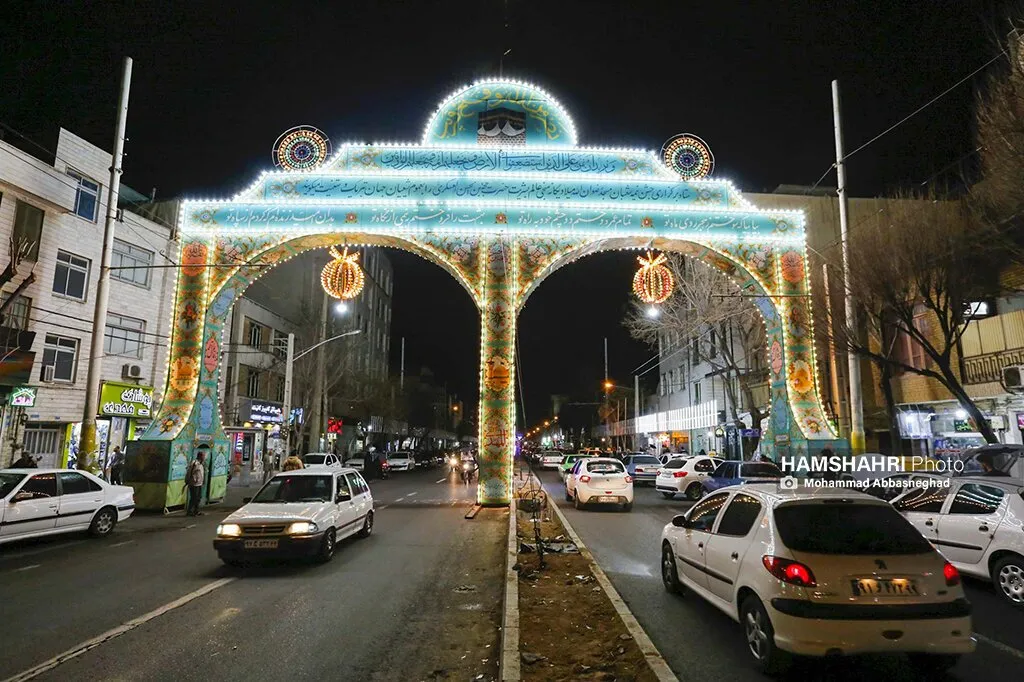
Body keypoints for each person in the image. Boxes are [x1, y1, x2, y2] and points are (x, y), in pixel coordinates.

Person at [186, 450, 206, 516]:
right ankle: (189, 511)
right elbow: (189, 472)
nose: (204, 457)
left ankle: (196, 511)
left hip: (199, 483)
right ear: (200, 456)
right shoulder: (194, 463)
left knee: (198, 497)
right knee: (194, 498)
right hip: (194, 483)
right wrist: (189, 480)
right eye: (203, 456)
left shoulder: (201, 464)